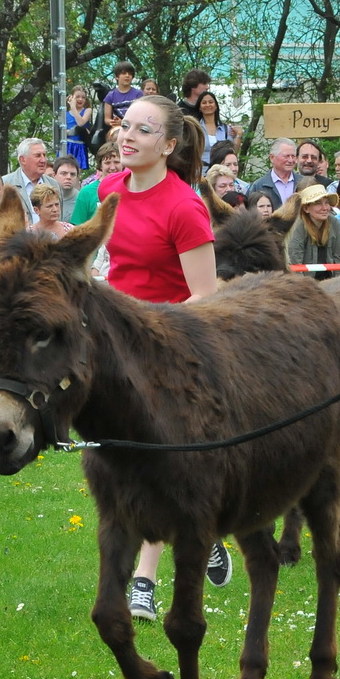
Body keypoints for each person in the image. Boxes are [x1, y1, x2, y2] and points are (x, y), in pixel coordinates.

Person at [93, 93, 224, 616]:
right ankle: (205, 530)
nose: (127, 136)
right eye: (125, 125)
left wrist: (147, 334)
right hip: (115, 345)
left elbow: (206, 295)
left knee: (153, 461)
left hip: (170, 344)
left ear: (169, 145)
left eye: (143, 130)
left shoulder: (184, 206)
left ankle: (144, 580)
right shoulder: (106, 190)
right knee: (122, 460)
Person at [283, 186, 340, 275]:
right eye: (318, 203)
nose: (325, 208)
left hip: (332, 280)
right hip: (305, 281)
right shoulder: (297, 226)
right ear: (306, 208)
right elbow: (294, 264)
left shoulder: (334, 222)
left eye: (327, 203)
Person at [2, 138, 51, 206]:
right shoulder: (5, 184)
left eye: (44, 155)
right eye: (38, 155)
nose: (43, 160)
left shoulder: (53, 184)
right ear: (23, 160)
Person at [255, 138, 300, 210]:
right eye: (286, 156)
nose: (291, 160)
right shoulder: (259, 186)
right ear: (272, 158)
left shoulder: (303, 182)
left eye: (293, 156)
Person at [193, 90, 236, 166]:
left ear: (216, 106)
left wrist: (239, 135)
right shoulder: (195, 128)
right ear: (199, 107)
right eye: (204, 103)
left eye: (211, 102)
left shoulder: (226, 129)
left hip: (222, 170)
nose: (207, 105)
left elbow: (232, 151)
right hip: (201, 170)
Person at [65, 85, 95, 168]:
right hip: (67, 145)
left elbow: (81, 123)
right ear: (71, 97)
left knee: (77, 169)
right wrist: (68, 132)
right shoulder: (65, 113)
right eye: (77, 97)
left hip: (79, 145)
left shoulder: (87, 111)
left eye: (83, 97)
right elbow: (61, 131)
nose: (80, 99)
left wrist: (73, 108)